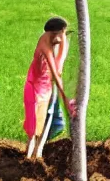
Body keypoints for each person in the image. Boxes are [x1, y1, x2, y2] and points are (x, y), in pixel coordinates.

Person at [23, 17, 76, 156]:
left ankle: (37, 152)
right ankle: (30, 155)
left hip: (46, 87)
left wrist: (63, 39)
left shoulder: (55, 38)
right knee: (34, 125)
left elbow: (59, 64)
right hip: (35, 87)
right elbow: (54, 70)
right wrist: (65, 99)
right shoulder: (45, 43)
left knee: (44, 120)